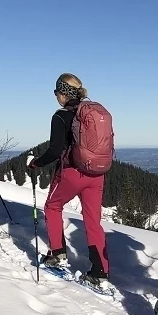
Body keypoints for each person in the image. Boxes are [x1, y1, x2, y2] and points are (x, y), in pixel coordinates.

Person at [29, 73, 110, 290]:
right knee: (93, 221)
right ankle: (100, 272)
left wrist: (36, 163)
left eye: (57, 92)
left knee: (52, 206)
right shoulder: (92, 112)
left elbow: (55, 151)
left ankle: (58, 254)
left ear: (63, 93)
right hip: (97, 174)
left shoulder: (61, 116)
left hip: (72, 172)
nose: (56, 96)